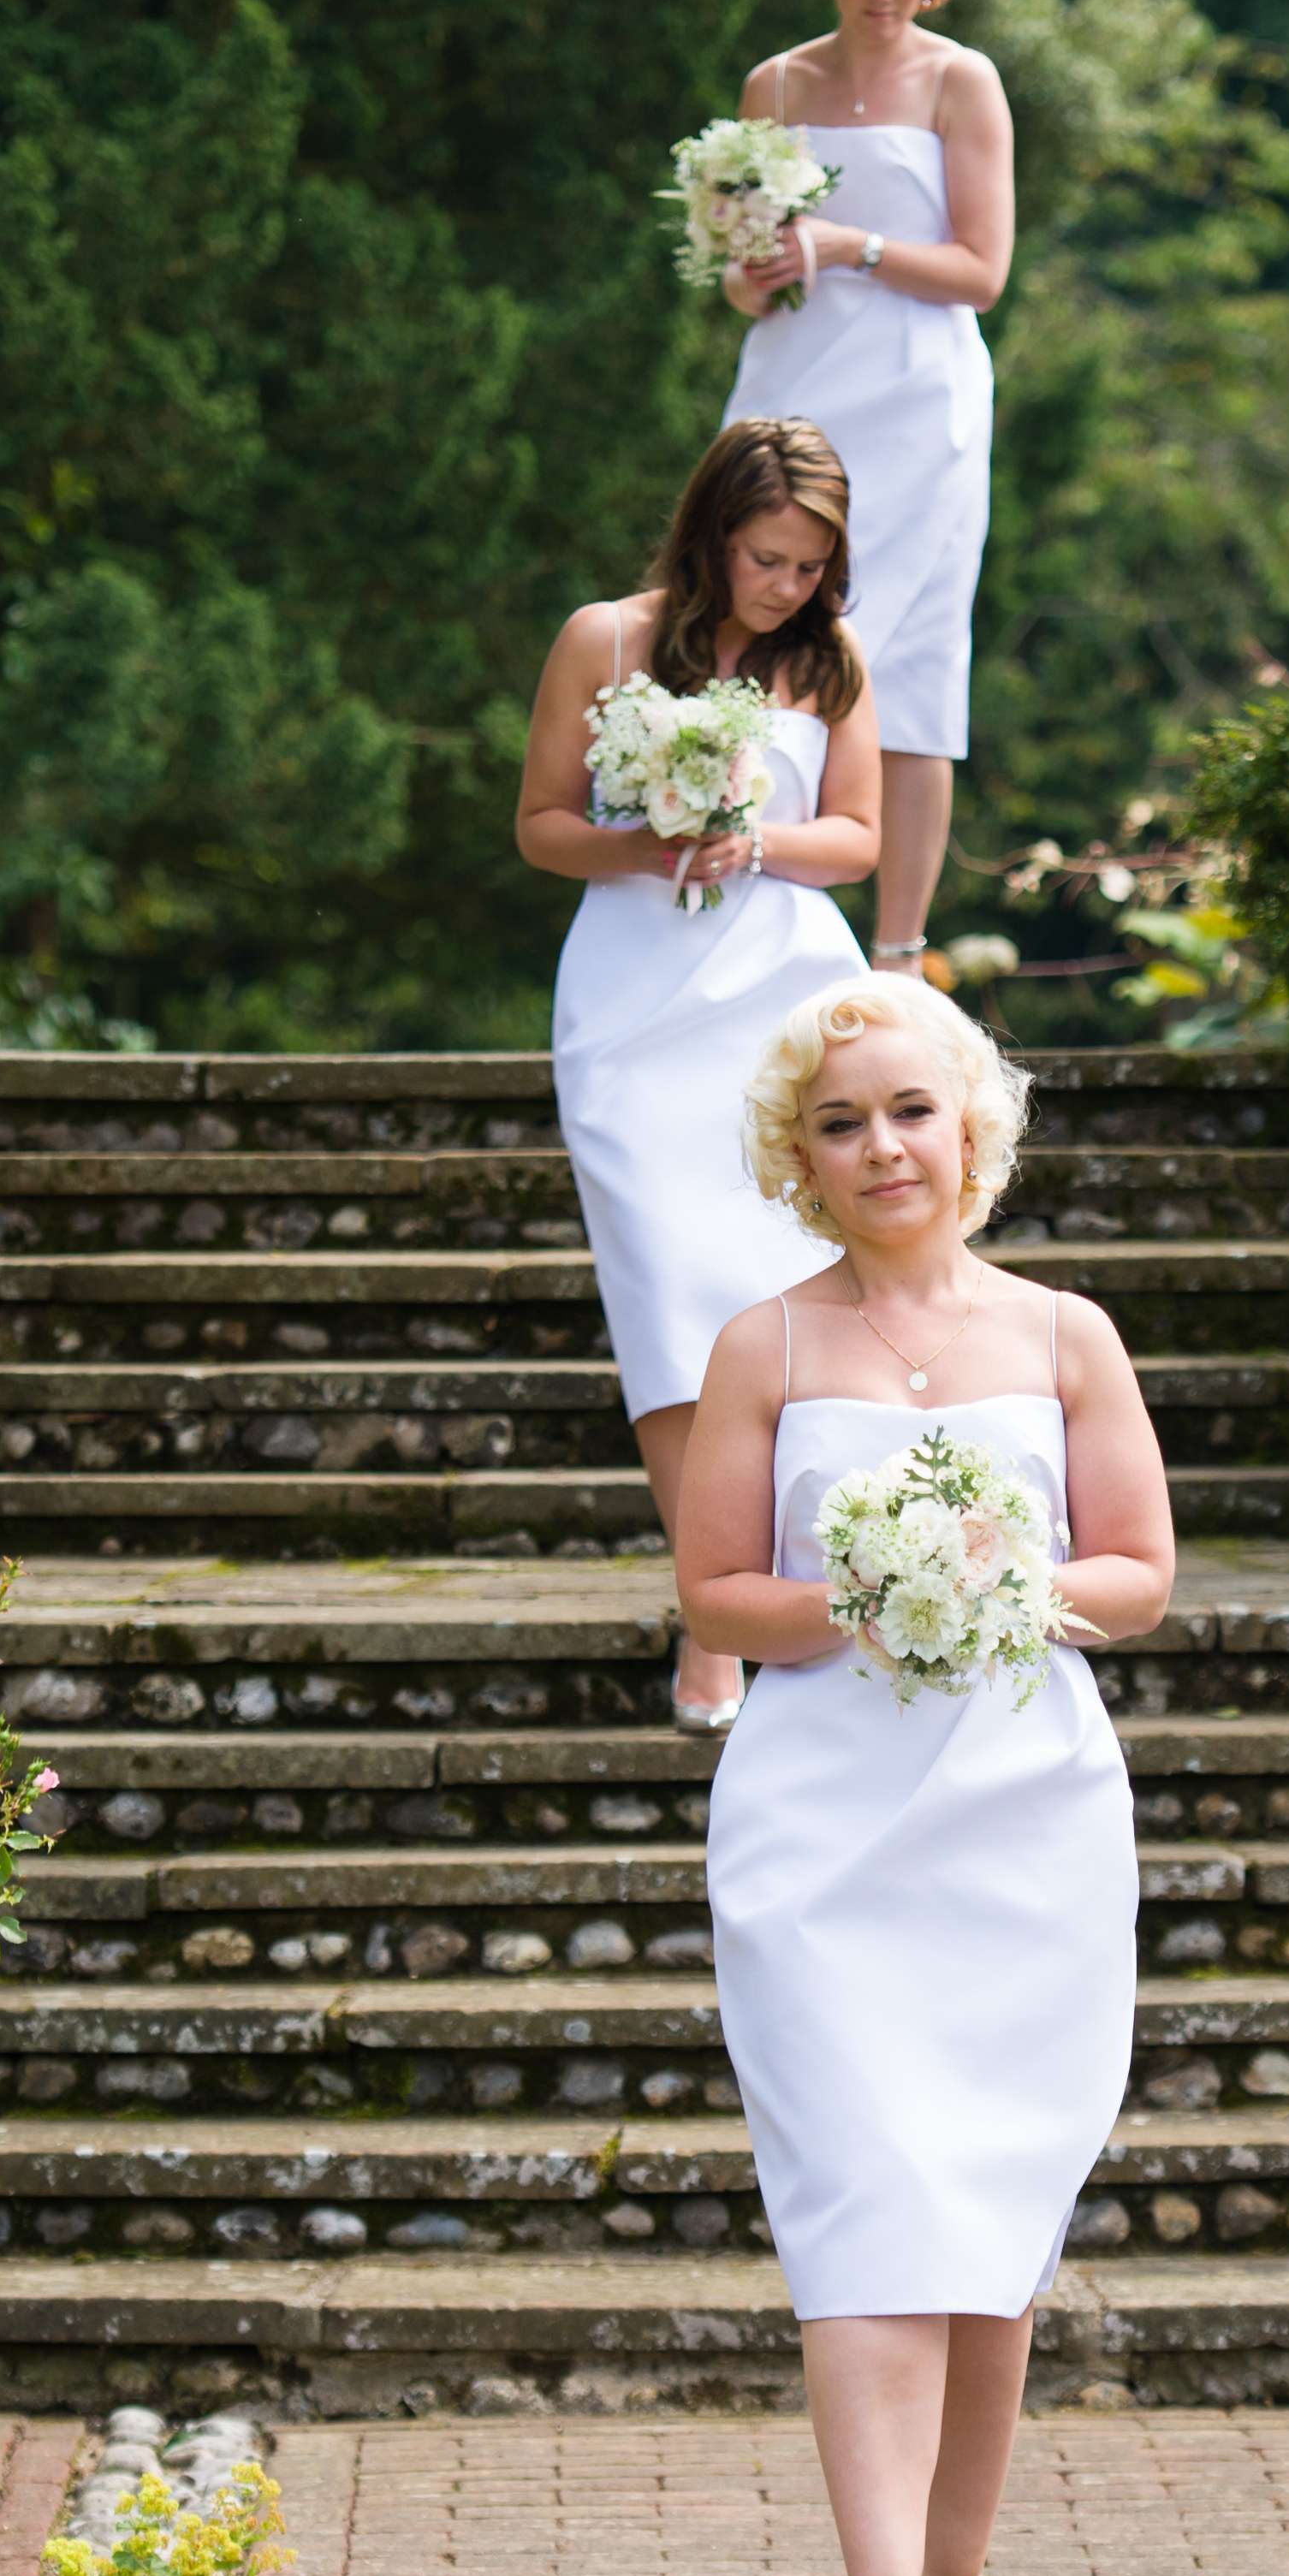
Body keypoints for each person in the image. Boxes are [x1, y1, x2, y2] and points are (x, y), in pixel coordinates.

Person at [674, 971, 1166, 2576]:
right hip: (823, 1830)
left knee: (986, 2237)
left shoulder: (1064, 1337)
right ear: (797, 1159)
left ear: (970, 1130)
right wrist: (868, 1600)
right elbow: (717, 1597)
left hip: (1021, 1820)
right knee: (862, 2215)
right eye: (837, 1120)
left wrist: (1007, 1586)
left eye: (907, 1111)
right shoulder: (763, 1350)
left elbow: (1137, 1572)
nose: (879, 1147)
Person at [521, 418, 884, 1731]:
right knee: (668, 1298)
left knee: (777, 1290)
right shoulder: (603, 639)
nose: (786, 586)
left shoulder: (833, 658)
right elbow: (542, 826)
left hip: (782, 994)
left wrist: (755, 842)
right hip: (629, 1005)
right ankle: (715, 1617)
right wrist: (651, 844)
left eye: (809, 566)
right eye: (765, 558)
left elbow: (856, 838)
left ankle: (776, 1586)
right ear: (710, 532)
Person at [721, 0, 1013, 980]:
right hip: (795, 379)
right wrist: (754, 271)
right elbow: (750, 281)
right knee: (755, 632)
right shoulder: (775, 85)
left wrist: (851, 246)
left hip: (918, 396)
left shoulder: (961, 81)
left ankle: (897, 955)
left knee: (914, 665)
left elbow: (982, 270)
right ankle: (752, 895)